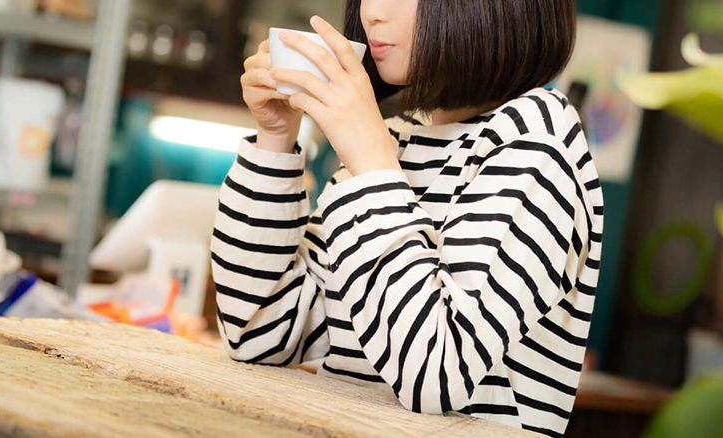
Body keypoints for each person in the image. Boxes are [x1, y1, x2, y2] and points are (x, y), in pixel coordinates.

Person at [210, 1, 603, 436]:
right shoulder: (397, 137)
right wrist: (275, 137)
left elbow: (436, 375)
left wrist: (371, 160)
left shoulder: (535, 148)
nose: (372, 12)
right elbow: (261, 335)